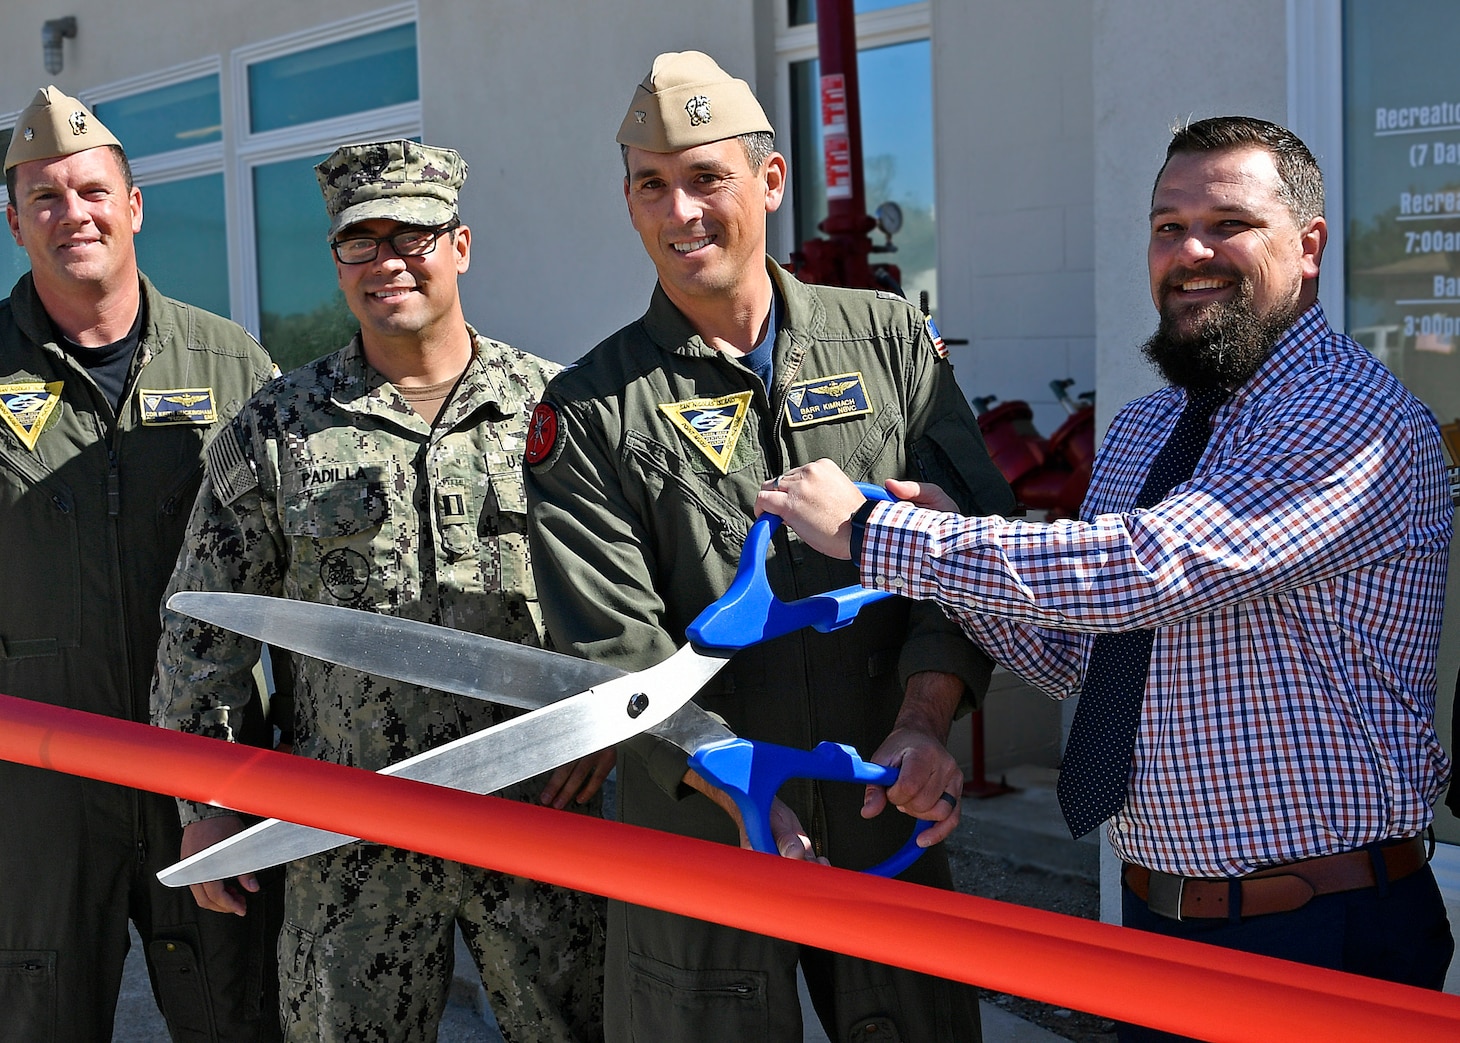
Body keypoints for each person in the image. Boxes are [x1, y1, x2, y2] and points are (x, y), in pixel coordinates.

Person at [759, 116, 1455, 1041]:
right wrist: (954, 543)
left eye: (1228, 223)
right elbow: (1085, 657)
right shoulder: (1142, 430)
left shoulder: (1351, 416)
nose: (1190, 251)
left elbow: (1146, 569)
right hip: (1160, 925)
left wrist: (882, 532)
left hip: (1320, 933)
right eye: (1167, 226)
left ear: (1310, 245)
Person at [524, 51, 1012, 1043]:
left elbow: (962, 552)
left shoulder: (885, 339)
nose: (680, 213)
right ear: (627, 201)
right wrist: (723, 769)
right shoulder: (586, 409)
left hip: (884, 799)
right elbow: (607, 641)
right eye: (650, 185)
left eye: (706, 178)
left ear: (771, 180)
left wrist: (925, 720)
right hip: (702, 832)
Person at [151, 139, 605, 1043]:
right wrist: (204, 804)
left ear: (462, 245)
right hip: (350, 828)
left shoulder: (559, 407)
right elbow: (203, 629)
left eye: (415, 236)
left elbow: (621, 595)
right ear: (337, 261)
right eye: (362, 242)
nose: (389, 261)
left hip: (536, 811)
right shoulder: (280, 425)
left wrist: (612, 727)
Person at [0, 86, 286, 1042]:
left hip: (206, 772)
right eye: (43, 197)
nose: (71, 213)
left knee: (236, 1015)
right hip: (37, 794)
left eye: (90, 191)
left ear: (133, 205)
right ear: (13, 220)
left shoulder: (231, 363)